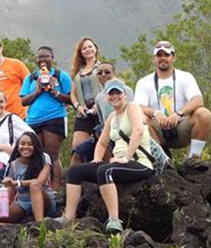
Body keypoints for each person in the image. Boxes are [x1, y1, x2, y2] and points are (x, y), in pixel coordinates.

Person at [56, 79, 154, 233]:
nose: (115, 96)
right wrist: (97, 159)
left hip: (139, 163)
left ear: (125, 94)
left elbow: (138, 131)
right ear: (106, 97)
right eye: (111, 93)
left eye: (118, 93)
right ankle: (69, 217)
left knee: (105, 171)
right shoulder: (112, 118)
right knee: (75, 171)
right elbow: (102, 142)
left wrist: (126, 158)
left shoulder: (133, 107)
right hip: (120, 163)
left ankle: (114, 220)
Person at [133, 41, 211, 171]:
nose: (163, 58)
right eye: (159, 55)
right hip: (158, 130)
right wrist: (156, 113)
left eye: (166, 55)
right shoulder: (144, 82)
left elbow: (198, 100)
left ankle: (193, 160)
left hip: (181, 126)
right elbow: (137, 106)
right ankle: (162, 161)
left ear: (173, 57)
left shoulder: (185, 77)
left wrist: (179, 113)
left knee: (203, 114)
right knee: (139, 118)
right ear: (154, 59)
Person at [0, 131, 57, 241]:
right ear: (18, 146)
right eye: (23, 144)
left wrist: (18, 183)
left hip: (43, 200)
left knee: (34, 185)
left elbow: (40, 181)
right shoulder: (13, 164)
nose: (26, 147)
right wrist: (3, 208)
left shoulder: (44, 158)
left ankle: (40, 227)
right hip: (23, 203)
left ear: (35, 146)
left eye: (30, 144)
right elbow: (9, 189)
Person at [20, 46, 72, 190]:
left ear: (52, 58)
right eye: (39, 57)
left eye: (46, 56)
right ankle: (39, 188)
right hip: (33, 120)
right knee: (36, 155)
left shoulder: (61, 76)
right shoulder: (31, 78)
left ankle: (55, 191)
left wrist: (52, 91)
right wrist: (38, 91)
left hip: (54, 118)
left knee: (52, 155)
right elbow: (23, 101)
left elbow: (71, 99)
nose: (42, 60)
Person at [0, 88, 33, 211]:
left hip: (3, 163)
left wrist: (18, 149)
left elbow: (30, 136)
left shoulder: (13, 119)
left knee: (2, 203)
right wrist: (2, 147)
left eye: (1, 101)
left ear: (5, 102)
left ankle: (3, 222)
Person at [71, 62, 134, 164]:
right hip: (106, 131)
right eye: (100, 73)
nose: (103, 75)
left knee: (100, 132)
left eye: (107, 72)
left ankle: (108, 167)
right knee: (78, 153)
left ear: (114, 73)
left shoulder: (127, 91)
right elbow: (102, 121)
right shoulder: (99, 98)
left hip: (124, 132)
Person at [69, 37, 103, 156]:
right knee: (77, 148)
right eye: (84, 48)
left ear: (95, 49)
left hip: (100, 112)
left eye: (90, 47)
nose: (88, 49)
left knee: (101, 145)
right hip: (83, 112)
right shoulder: (77, 72)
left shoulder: (102, 68)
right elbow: (72, 94)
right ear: (80, 52)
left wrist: (98, 104)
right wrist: (78, 106)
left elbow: (108, 88)